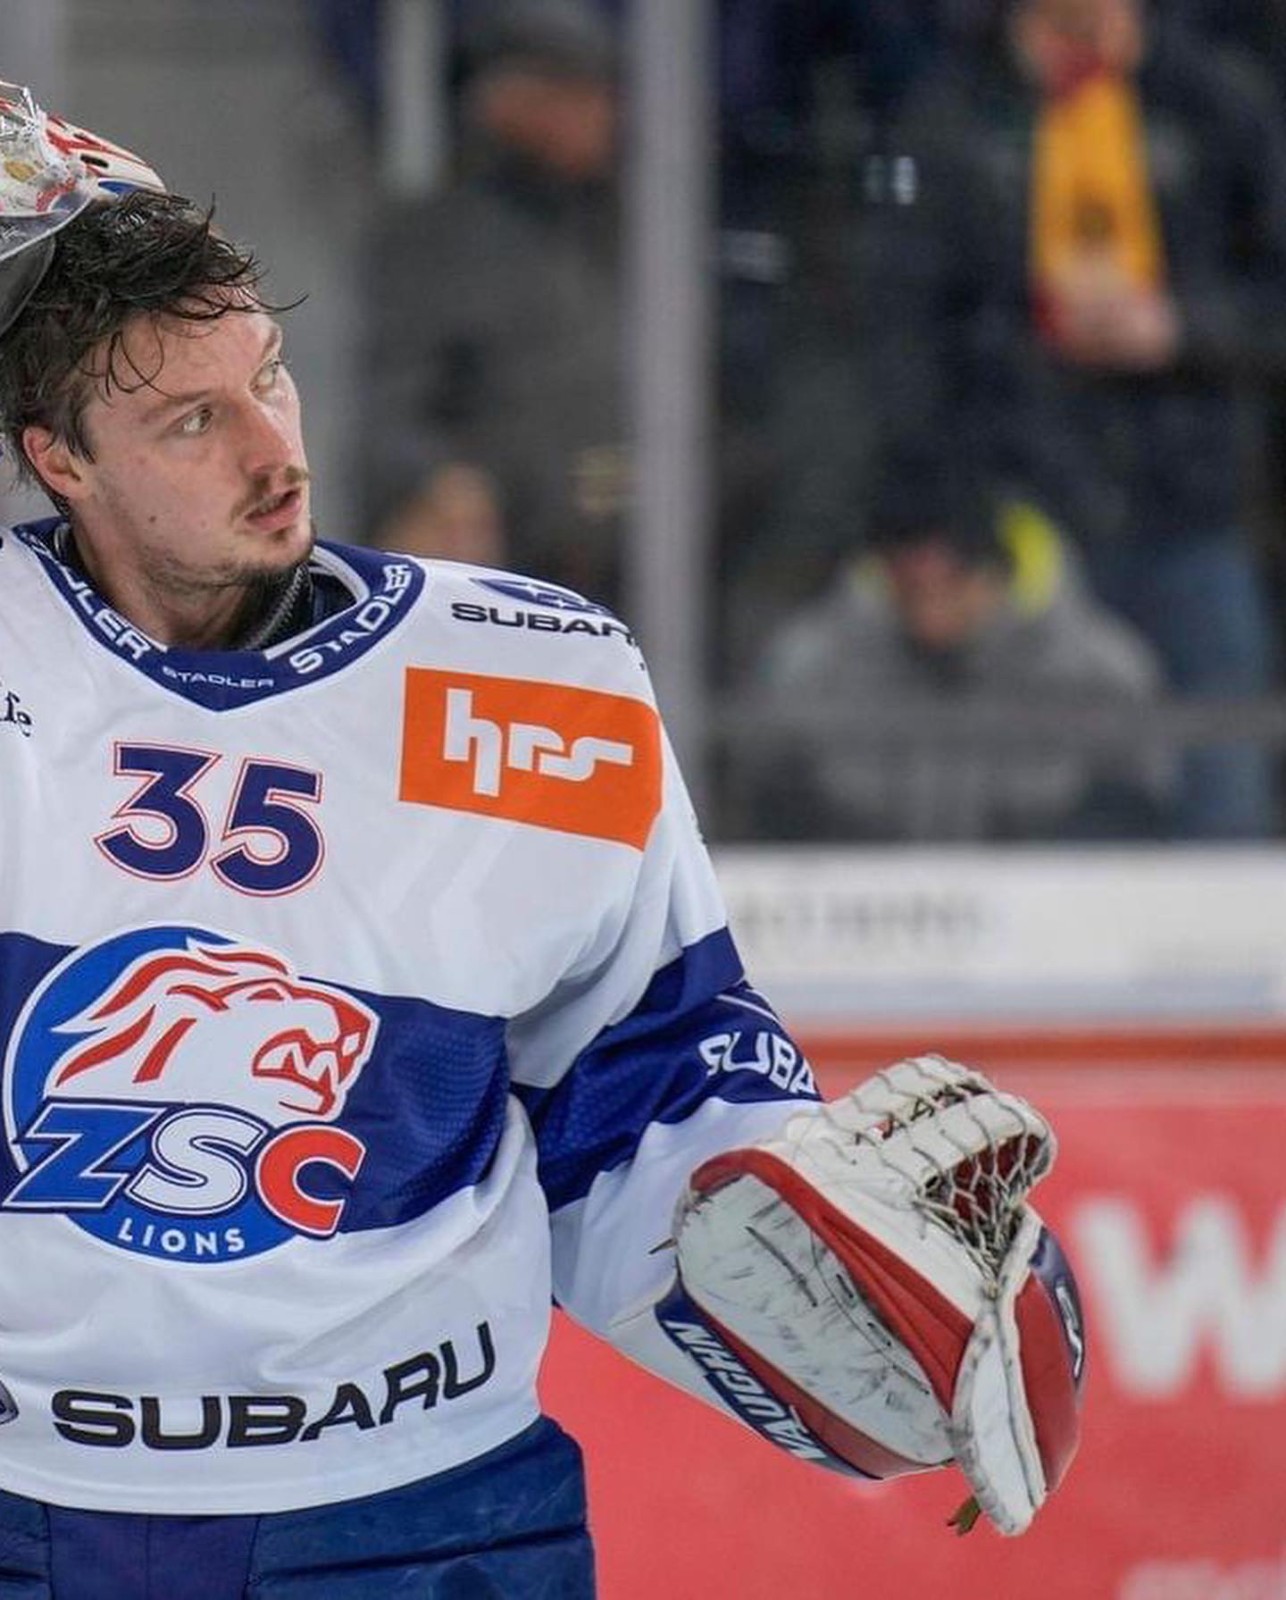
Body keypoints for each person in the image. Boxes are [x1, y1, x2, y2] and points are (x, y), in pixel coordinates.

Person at [0, 84, 1083, 1597]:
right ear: (59, 459)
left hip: (416, 1525)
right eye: (192, 419)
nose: (272, 450)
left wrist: (788, 1247)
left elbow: (639, 1085)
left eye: (269, 378)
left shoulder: (532, 682)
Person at [862, 0, 1286, 839]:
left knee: (1221, 799)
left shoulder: (1212, 102)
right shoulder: (958, 113)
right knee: (1045, 813)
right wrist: (952, 502)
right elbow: (906, 326)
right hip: (1021, 520)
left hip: (1190, 507)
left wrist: (1183, 331)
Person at [744, 456, 1173, 841]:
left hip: (1054, 894)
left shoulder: (1098, 668)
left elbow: (1134, 811)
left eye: (952, 580)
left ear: (998, 574)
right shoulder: (812, 664)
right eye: (910, 586)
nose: (931, 608)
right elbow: (770, 803)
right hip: (859, 894)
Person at [362, 0, 629, 607]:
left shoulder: (645, 229)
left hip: (649, 571)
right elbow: (392, 417)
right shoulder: (438, 239)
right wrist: (440, 483)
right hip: (503, 578)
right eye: (575, 91)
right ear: (507, 100)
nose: (602, 113)